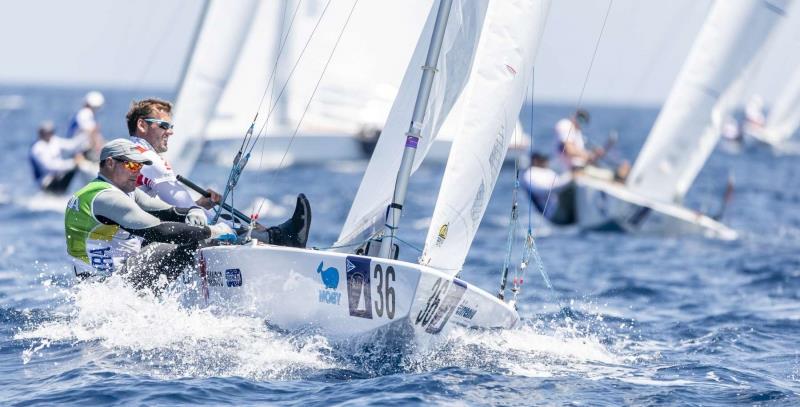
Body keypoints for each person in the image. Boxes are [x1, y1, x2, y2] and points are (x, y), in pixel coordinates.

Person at [125, 97, 310, 247]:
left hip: (130, 241)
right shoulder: (148, 159)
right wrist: (234, 230)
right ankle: (274, 238)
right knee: (213, 223)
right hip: (138, 247)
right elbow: (186, 207)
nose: (170, 132)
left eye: (171, 127)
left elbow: (177, 207)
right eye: (164, 126)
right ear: (142, 125)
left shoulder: (128, 153)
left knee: (207, 212)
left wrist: (201, 204)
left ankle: (268, 236)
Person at [64, 139, 236, 289]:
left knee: (185, 232)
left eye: (139, 166)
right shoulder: (107, 197)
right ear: (110, 163)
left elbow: (166, 211)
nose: (137, 172)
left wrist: (193, 210)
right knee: (188, 240)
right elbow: (159, 231)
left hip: (103, 284)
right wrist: (213, 231)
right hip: (111, 285)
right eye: (131, 165)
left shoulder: (118, 190)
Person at [29, 120, 89, 194]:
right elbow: (50, 166)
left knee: (83, 154)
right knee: (76, 163)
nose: (51, 134)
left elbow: (71, 145)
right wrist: (73, 163)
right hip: (47, 182)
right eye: (48, 132)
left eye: (52, 131)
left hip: (59, 175)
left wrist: (85, 134)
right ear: (42, 133)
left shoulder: (54, 140)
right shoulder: (37, 148)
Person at [519, 152, 575, 225]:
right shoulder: (530, 174)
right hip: (552, 215)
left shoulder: (548, 172)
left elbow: (560, 183)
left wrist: (572, 176)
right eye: (542, 159)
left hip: (560, 210)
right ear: (535, 161)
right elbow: (545, 190)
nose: (546, 161)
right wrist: (571, 176)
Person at [66, 91, 105, 160]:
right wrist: (98, 149)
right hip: (79, 150)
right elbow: (91, 132)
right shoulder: (86, 113)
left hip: (79, 149)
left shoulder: (83, 113)